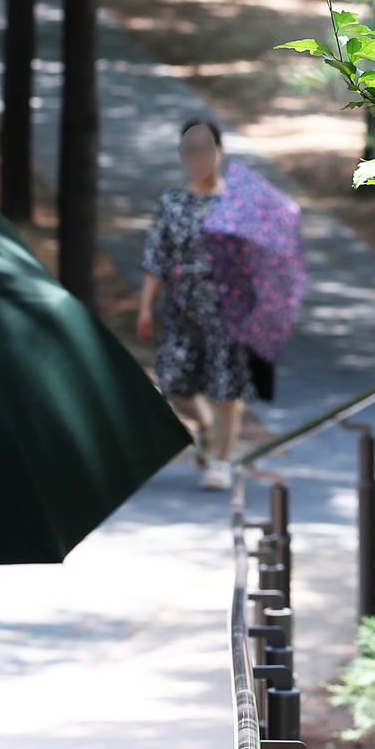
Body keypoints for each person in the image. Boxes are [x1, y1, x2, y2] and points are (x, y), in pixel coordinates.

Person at [137, 116, 256, 491]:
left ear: (219, 151)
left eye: (205, 147)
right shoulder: (172, 202)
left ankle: (220, 461)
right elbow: (157, 256)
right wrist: (145, 307)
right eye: (189, 148)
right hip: (183, 304)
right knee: (173, 382)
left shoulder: (237, 201)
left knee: (226, 387)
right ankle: (205, 428)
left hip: (229, 304)